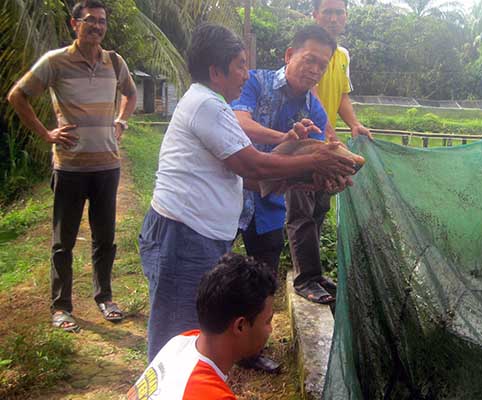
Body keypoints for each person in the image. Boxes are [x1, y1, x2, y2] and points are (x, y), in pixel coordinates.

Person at [138, 22, 355, 362]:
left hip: (197, 236)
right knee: (174, 338)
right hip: (182, 237)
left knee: (196, 329)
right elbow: (254, 167)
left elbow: (251, 180)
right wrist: (316, 158)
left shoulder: (214, 105)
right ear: (216, 71)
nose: (245, 73)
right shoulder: (207, 106)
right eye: (240, 65)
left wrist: (311, 177)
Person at [7, 0, 137, 332]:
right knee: (63, 241)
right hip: (70, 167)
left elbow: (130, 94)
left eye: (102, 21)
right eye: (90, 20)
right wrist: (47, 133)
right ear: (74, 24)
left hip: (108, 166)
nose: (97, 26)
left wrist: (121, 121)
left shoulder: (114, 62)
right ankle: (61, 306)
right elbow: (17, 95)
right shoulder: (55, 62)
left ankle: (105, 298)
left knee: (105, 239)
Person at [231, 24, 338, 372]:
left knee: (262, 283)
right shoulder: (254, 81)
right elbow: (238, 122)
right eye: (309, 60)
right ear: (289, 55)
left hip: (271, 206)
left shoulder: (315, 110)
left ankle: (248, 352)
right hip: (229, 195)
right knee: (210, 270)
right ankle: (207, 346)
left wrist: (327, 174)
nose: (315, 69)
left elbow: (315, 155)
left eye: (322, 65)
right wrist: (285, 138)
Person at [284, 0, 373, 306]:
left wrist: (354, 124)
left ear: (346, 17)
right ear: (316, 15)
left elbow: (342, 95)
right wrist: (328, 133)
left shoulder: (342, 55)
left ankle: (313, 272)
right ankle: (305, 278)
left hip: (328, 141)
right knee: (301, 208)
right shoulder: (306, 51)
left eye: (339, 12)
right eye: (328, 12)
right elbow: (311, 93)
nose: (334, 18)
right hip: (307, 139)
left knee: (320, 205)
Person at [127, 253, 276, 400]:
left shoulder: (180, 341)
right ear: (240, 326)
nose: (270, 330)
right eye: (267, 321)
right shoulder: (212, 395)